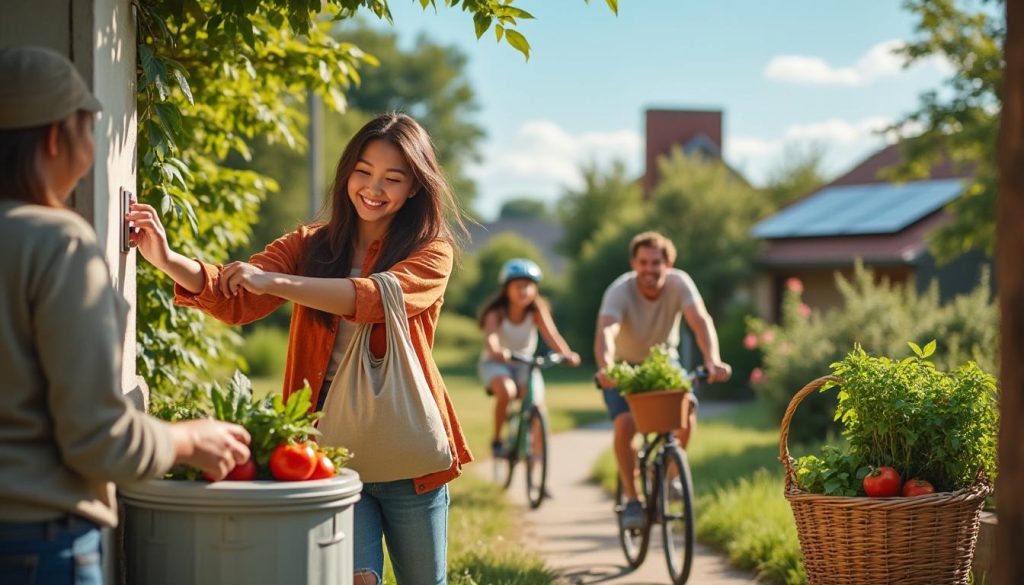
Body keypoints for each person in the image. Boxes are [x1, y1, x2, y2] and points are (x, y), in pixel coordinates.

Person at [129, 112, 473, 585]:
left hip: (407, 451)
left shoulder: (432, 250)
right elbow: (240, 297)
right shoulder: (310, 244)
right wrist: (166, 259)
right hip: (326, 449)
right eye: (363, 171)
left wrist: (276, 281)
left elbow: (371, 298)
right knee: (354, 578)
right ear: (347, 171)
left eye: (393, 179)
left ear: (415, 186)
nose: (373, 188)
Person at [0, 46, 252, 585]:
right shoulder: (55, 242)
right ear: (54, 138)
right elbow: (97, 441)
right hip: (34, 543)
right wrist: (188, 440)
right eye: (89, 128)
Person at [594, 231, 732, 530]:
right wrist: (606, 367)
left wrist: (712, 361)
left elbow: (700, 321)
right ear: (634, 263)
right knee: (625, 424)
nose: (649, 269)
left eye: (656, 262)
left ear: (668, 263)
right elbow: (607, 330)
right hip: (624, 366)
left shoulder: (679, 282)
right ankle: (632, 500)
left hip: (663, 361)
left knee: (687, 412)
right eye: (643, 262)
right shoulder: (619, 290)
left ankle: (669, 476)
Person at [477, 258, 581, 457]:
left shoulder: (536, 311)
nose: (523, 291)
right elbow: (490, 337)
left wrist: (567, 354)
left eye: (528, 286)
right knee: (507, 392)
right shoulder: (496, 312)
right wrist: (497, 350)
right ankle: (497, 439)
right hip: (497, 363)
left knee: (537, 405)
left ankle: (537, 466)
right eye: (518, 286)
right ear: (506, 289)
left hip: (525, 363)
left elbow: (552, 335)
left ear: (535, 289)